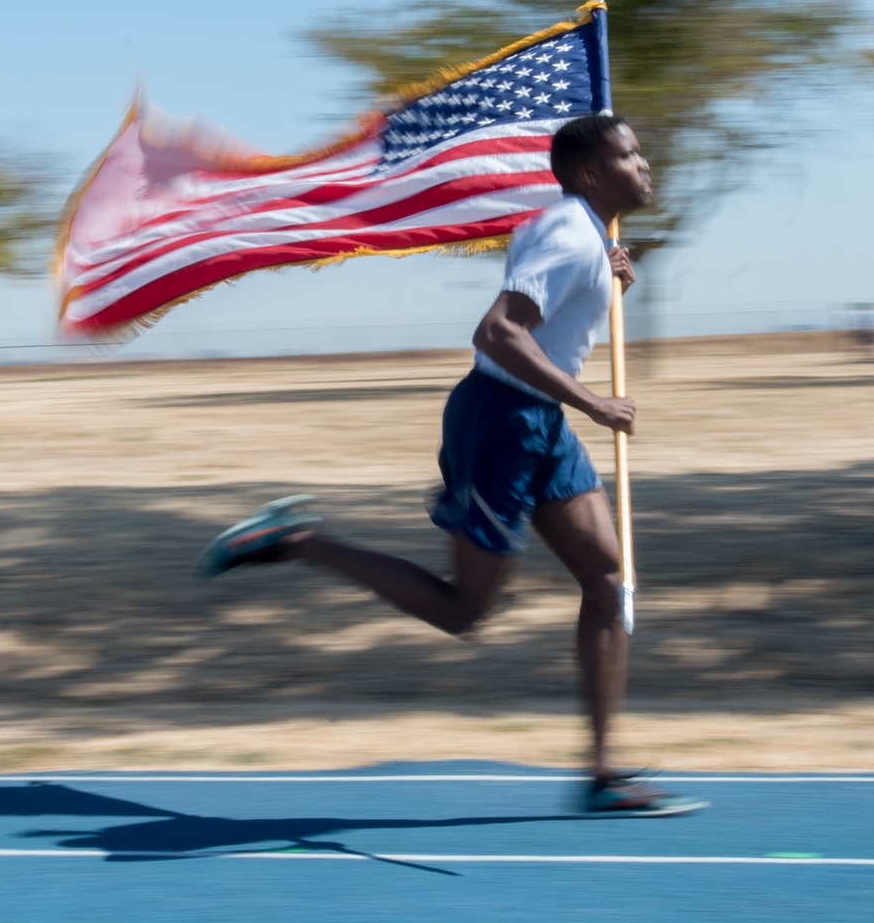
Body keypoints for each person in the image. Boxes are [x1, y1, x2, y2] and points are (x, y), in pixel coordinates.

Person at [199, 114, 705, 817]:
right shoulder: (566, 231)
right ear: (592, 173)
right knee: (464, 611)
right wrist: (593, 401)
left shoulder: (584, 234)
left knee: (606, 577)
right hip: (503, 420)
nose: (645, 164)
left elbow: (552, 324)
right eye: (630, 153)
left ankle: (603, 772)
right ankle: (296, 542)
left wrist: (611, 280)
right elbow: (498, 332)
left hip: (539, 423)